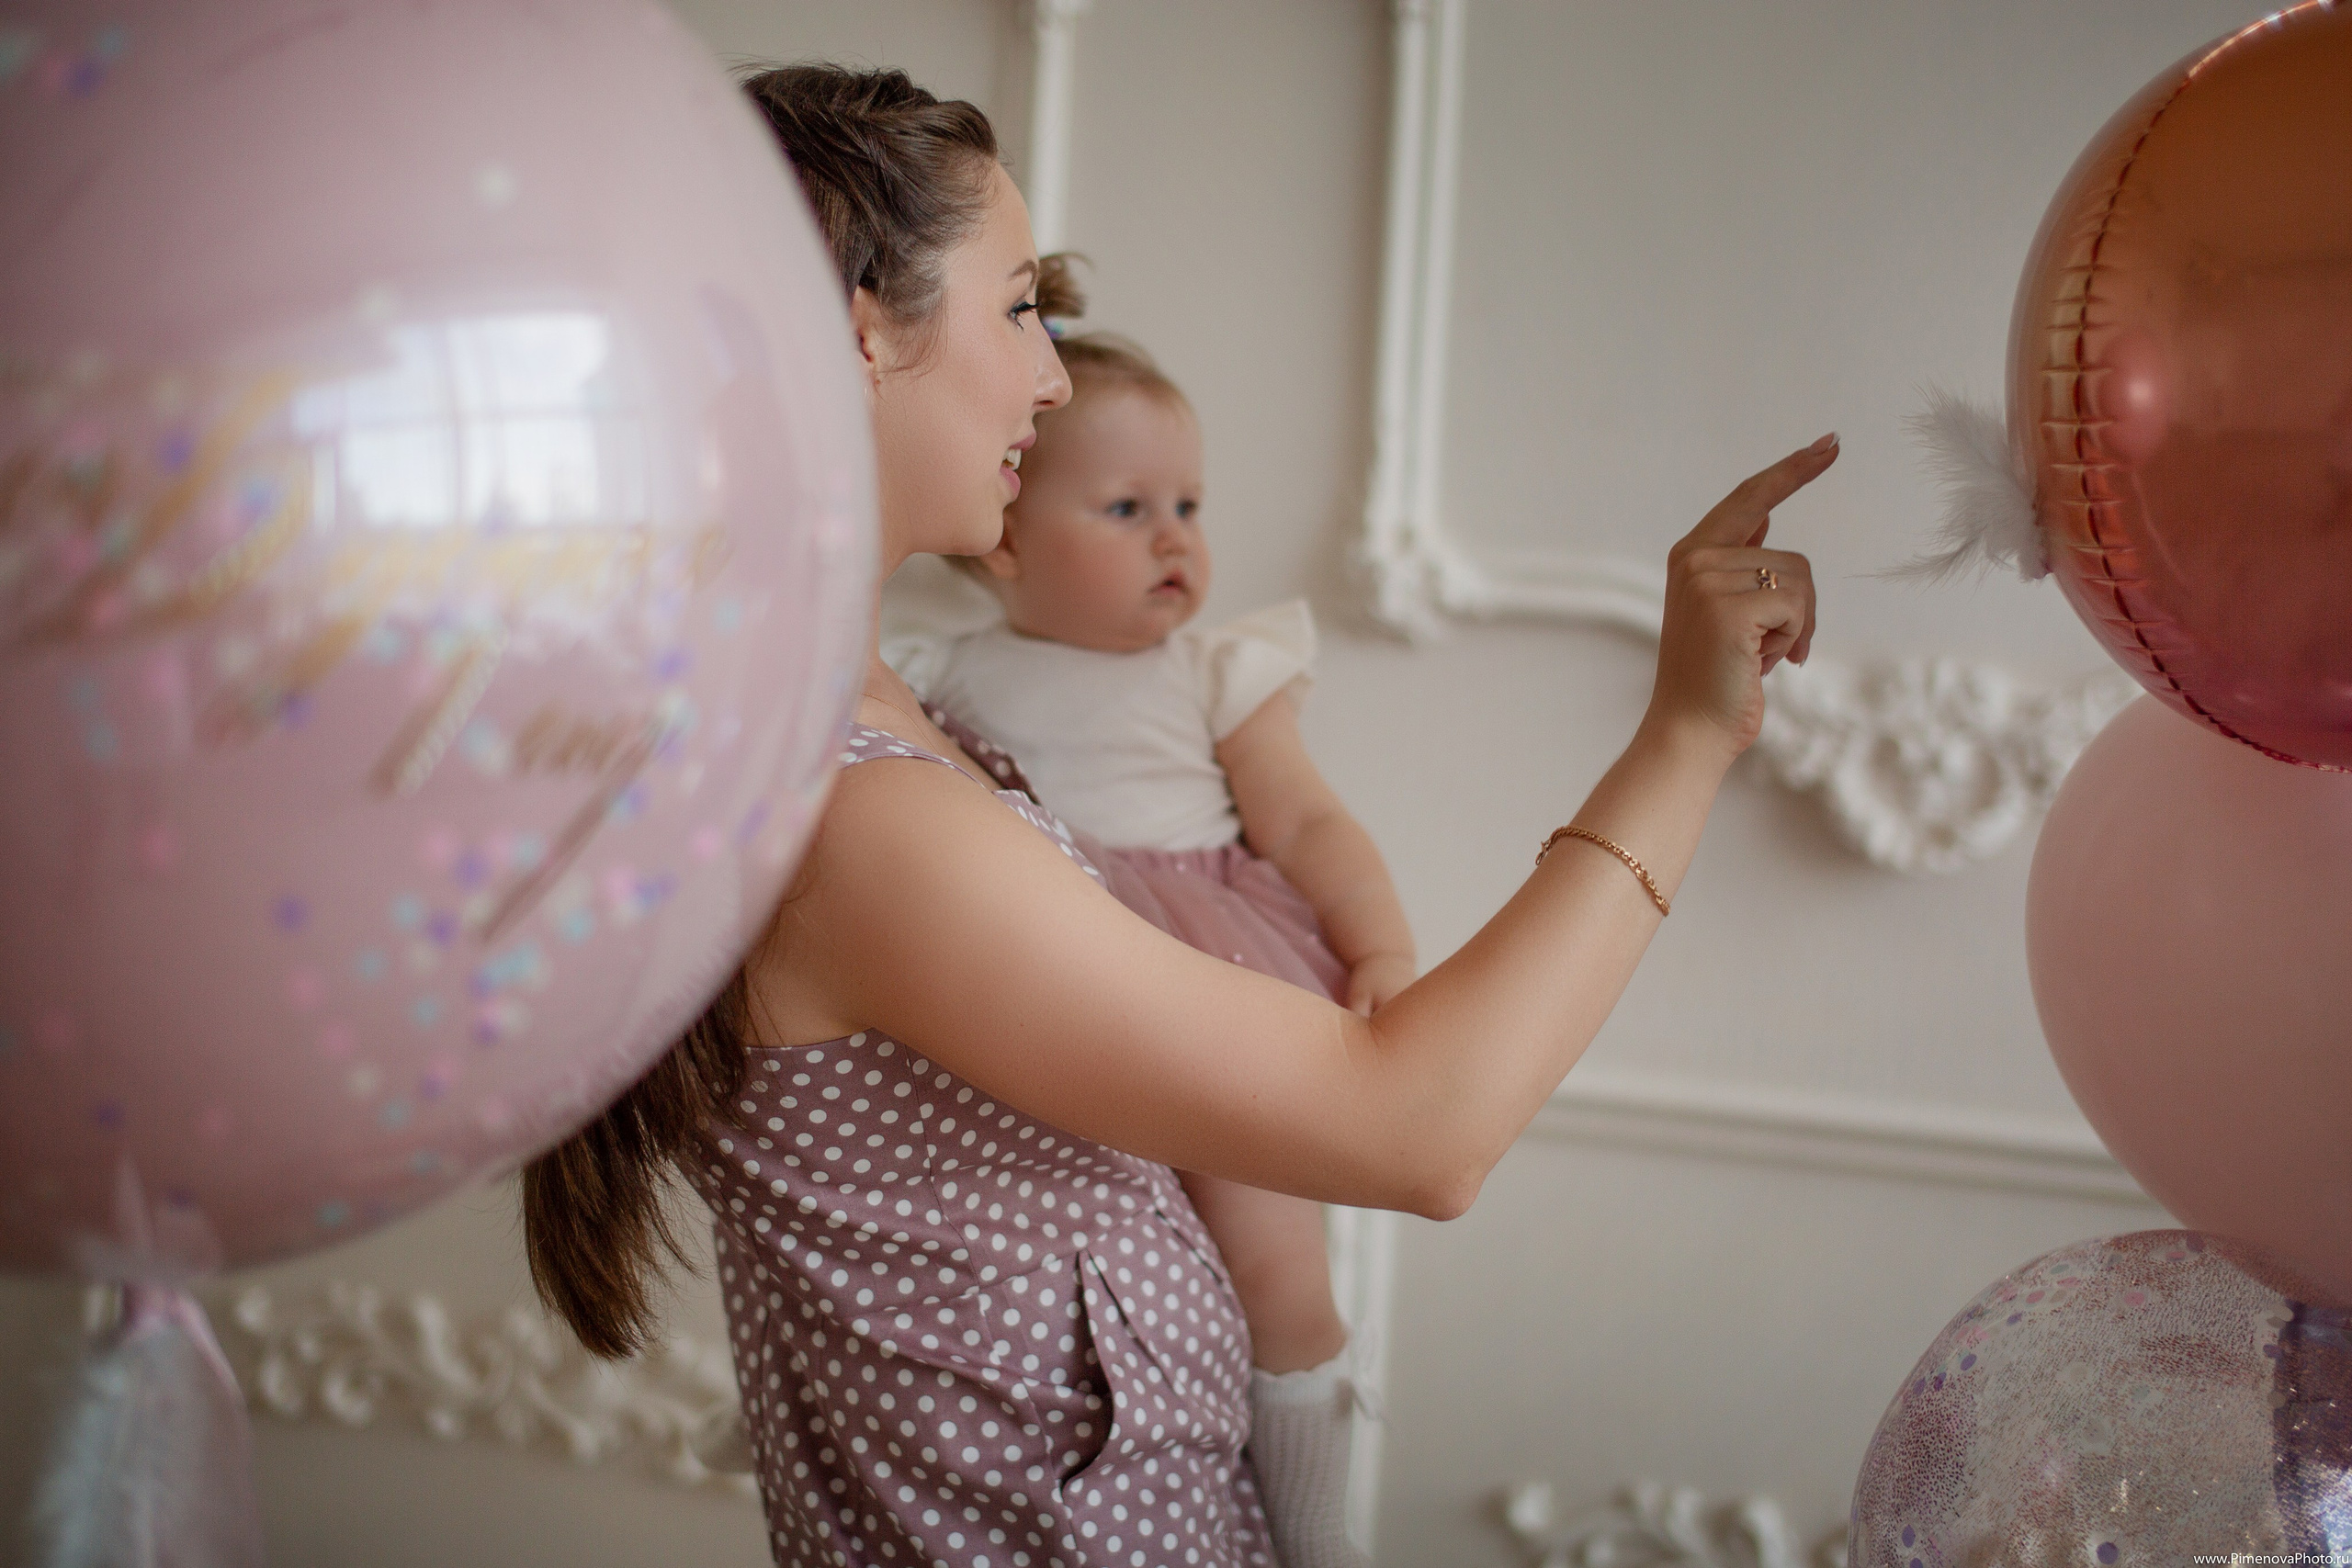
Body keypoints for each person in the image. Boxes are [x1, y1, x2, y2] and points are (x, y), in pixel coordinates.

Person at [520, 62, 1833, 1568]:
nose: (1054, 378)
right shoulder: (854, 825)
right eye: (1018, 308)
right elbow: (1424, 1129)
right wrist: (1681, 737)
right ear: (860, 319)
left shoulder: (857, 734)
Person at [894, 259, 1404, 1567]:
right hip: (1042, 987)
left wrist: (1382, 946)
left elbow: (1306, 825)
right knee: (1003, 1245)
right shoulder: (940, 672)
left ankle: (1314, 1528)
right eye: (1125, 507)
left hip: (1208, 986)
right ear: (1002, 537)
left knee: (1277, 1272)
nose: (1177, 538)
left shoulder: (1217, 671)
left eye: (1187, 504)